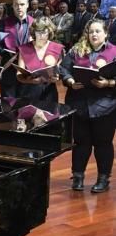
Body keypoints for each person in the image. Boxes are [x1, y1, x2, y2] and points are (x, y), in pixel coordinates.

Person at [60, 21, 116, 193]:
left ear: (105, 33)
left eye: (98, 31)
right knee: (80, 143)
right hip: (79, 104)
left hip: (105, 106)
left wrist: (108, 83)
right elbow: (63, 68)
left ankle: (103, 179)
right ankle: (78, 177)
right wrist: (70, 81)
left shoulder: (113, 51)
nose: (94, 34)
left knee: (103, 144)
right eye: (91, 31)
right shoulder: (77, 50)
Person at [16, 17, 63, 107]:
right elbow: (19, 75)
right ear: (34, 32)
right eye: (38, 32)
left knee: (49, 120)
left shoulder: (57, 48)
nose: (41, 36)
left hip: (50, 94)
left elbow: (60, 73)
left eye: (44, 32)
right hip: (28, 92)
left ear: (49, 32)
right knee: (28, 118)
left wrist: (56, 78)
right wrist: (30, 81)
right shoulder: (24, 49)